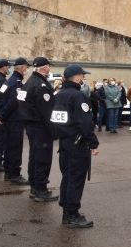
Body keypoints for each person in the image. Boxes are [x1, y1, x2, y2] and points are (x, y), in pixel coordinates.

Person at [51, 64, 99, 228]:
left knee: (68, 177)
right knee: (76, 178)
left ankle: (67, 211)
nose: (84, 79)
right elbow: (85, 123)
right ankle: (72, 214)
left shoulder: (59, 95)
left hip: (64, 142)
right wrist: (93, 142)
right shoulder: (78, 96)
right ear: (77, 78)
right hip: (77, 144)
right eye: (83, 76)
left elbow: (56, 122)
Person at [19, 57, 59, 201]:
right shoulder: (40, 85)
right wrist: (53, 131)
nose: (49, 69)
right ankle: (41, 189)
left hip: (31, 125)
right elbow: (46, 111)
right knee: (42, 158)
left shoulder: (29, 82)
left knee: (34, 157)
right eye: (48, 67)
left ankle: (35, 187)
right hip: (40, 127)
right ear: (45, 67)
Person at [0, 57, 31, 185]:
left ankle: (8, 172)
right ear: (21, 68)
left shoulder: (8, 82)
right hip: (14, 119)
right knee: (15, 147)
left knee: (8, 146)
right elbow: (13, 102)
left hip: (6, 119)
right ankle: (15, 173)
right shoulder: (16, 83)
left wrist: (0, 115)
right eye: (26, 67)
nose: (27, 70)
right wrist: (3, 116)